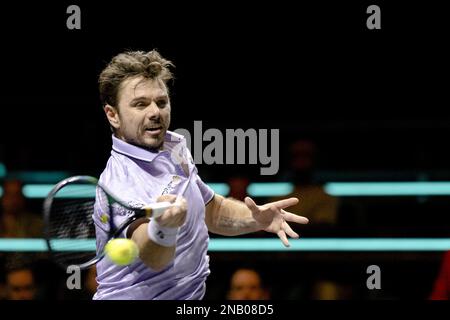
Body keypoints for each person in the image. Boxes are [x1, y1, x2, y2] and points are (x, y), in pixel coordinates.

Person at [93, 50, 309, 300]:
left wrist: (255, 219)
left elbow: (211, 210)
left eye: (161, 102)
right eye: (140, 104)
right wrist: (164, 228)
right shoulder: (118, 184)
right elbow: (153, 257)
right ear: (113, 115)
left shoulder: (174, 145)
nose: (155, 112)